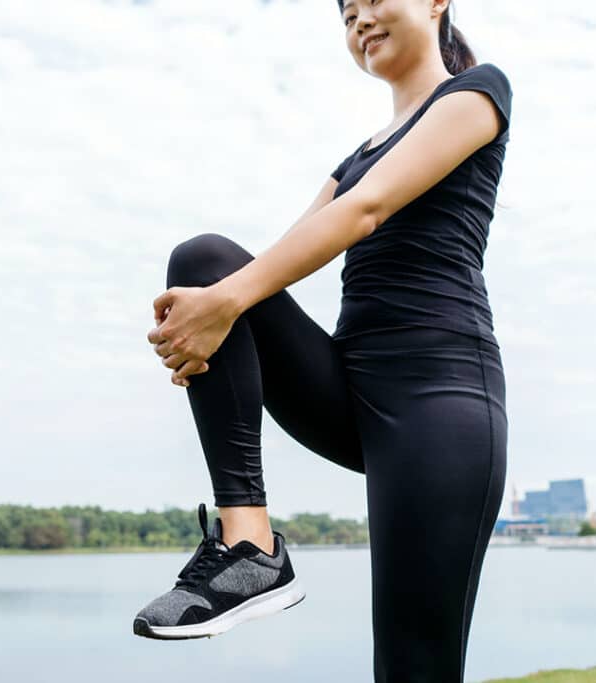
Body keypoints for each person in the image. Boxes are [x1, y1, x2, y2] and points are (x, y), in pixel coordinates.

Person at [135, 1, 511, 680]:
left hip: (440, 405)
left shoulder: (478, 92)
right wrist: (206, 319)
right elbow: (269, 266)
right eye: (346, 12)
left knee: (410, 664)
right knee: (206, 264)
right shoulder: (355, 157)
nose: (359, 17)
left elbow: (365, 213)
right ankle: (250, 546)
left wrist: (224, 305)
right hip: (348, 388)